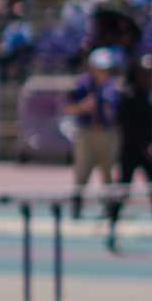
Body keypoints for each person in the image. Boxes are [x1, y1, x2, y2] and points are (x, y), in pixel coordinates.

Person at [104, 56, 152, 248]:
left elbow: (150, 127)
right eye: (145, 73)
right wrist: (145, 148)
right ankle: (111, 228)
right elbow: (127, 127)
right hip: (131, 152)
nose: (149, 77)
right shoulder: (128, 96)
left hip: (149, 152)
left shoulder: (149, 95)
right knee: (122, 191)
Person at [67, 48, 120, 218]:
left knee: (108, 172)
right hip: (86, 133)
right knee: (82, 171)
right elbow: (68, 107)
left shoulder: (112, 86)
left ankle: (109, 207)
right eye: (99, 68)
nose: (103, 72)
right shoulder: (81, 84)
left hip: (107, 133)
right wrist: (84, 106)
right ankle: (76, 206)